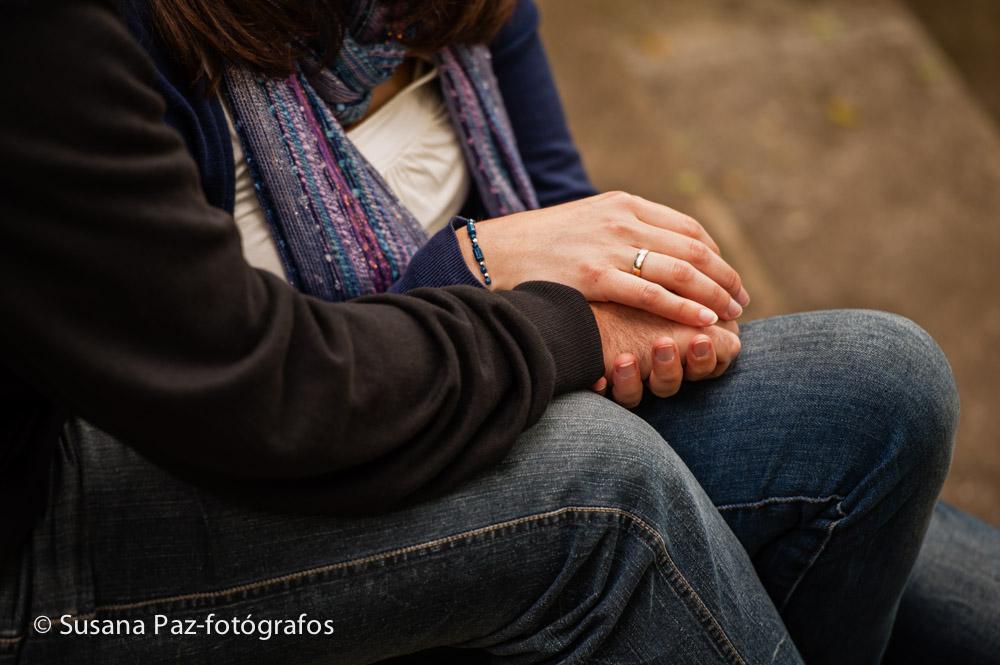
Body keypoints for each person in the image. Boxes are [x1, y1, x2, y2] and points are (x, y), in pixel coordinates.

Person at [0, 2, 995, 665]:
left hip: (465, 376)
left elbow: (567, 208)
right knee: (611, 479)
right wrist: (483, 268)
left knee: (885, 383)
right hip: (214, 465)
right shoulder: (111, 45)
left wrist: (643, 308)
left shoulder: (460, 11)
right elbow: (260, 388)